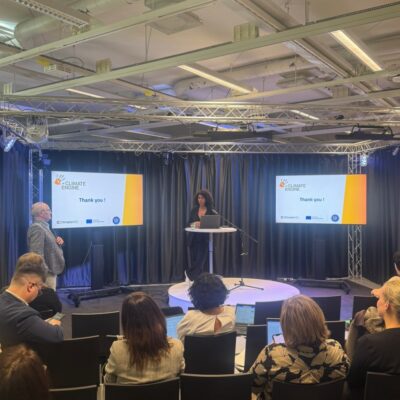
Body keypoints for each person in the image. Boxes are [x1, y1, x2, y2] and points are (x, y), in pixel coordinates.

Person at [251, 295, 349, 400]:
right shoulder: (337, 351)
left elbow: (251, 386)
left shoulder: (271, 354)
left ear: (286, 326)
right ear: (320, 320)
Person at [104, 292, 184, 384]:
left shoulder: (117, 349)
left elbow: (108, 383)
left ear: (126, 322)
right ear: (158, 316)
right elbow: (182, 376)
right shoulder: (177, 346)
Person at [347, 276, 400, 399]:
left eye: (380, 298)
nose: (377, 302)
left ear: (386, 305)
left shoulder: (369, 344)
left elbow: (353, 382)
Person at [0, 253, 63, 348]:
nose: (39, 293)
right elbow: (57, 335)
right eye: (39, 289)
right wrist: (55, 323)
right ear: (30, 287)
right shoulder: (24, 317)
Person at [177, 272, 235, 341]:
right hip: (225, 348)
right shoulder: (231, 313)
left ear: (195, 295)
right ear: (222, 292)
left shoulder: (189, 318)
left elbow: (180, 340)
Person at [28, 202, 65, 290]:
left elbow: (48, 246)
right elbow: (36, 254)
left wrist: (59, 242)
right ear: (41, 213)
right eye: (49, 210)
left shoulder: (44, 227)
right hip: (46, 274)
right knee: (48, 298)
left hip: (50, 271)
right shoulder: (37, 228)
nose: (51, 212)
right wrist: (45, 272)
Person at [186, 189, 215, 280]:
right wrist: (195, 223)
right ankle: (197, 280)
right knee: (195, 260)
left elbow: (214, 224)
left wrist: (204, 224)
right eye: (199, 198)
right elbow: (188, 224)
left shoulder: (211, 211)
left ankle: (189, 274)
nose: (200, 200)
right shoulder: (194, 210)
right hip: (193, 238)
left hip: (204, 239)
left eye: (202, 198)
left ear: (207, 199)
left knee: (200, 261)